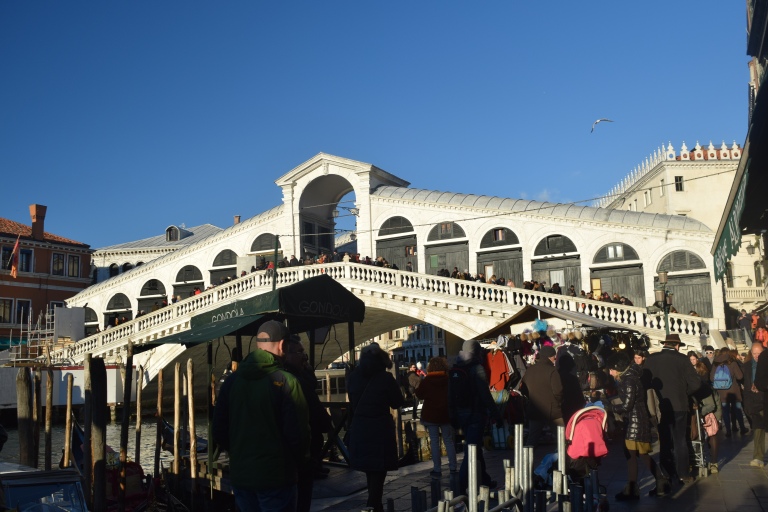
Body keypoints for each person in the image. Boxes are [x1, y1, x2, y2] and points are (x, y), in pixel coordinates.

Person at [213, 320, 310, 512]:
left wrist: (239, 454)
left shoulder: (231, 382)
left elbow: (218, 430)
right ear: (283, 345)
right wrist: (302, 463)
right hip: (277, 477)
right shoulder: (287, 381)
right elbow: (298, 434)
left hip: (242, 476)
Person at [346, 343, 405, 512]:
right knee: (378, 471)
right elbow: (397, 402)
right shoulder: (385, 378)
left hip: (360, 428)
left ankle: (375, 506)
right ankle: (373, 506)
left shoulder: (353, 377)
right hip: (379, 430)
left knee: (370, 470)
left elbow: (352, 401)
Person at [606, 352, 667, 501]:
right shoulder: (630, 377)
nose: (610, 372)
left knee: (632, 454)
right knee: (639, 454)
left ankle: (633, 489)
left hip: (635, 421)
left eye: (612, 369)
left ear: (618, 368)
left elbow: (627, 405)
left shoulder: (628, 380)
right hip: (637, 419)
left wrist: (610, 408)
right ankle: (660, 483)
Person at [643, 333, 701, 487]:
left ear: (665, 344)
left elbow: (645, 383)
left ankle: (667, 473)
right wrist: (684, 392)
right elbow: (696, 384)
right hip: (680, 405)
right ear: (677, 345)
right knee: (680, 440)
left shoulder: (651, 359)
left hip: (660, 405)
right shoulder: (682, 359)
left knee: (664, 440)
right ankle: (683, 473)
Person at [283, 335, 333, 512]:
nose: (304, 356)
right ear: (286, 354)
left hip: (291, 454)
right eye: (300, 352)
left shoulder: (299, 375)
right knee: (300, 498)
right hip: (297, 455)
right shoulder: (292, 380)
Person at [448, 340, 504, 493]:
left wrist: (452, 415)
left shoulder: (456, 368)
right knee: (471, 451)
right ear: (477, 352)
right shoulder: (477, 368)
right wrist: (496, 415)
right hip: (475, 414)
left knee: (475, 448)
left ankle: (484, 479)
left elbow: (450, 395)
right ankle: (459, 486)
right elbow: (485, 395)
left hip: (461, 415)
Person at [414, 357, 458, 477]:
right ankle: (453, 467)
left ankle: (437, 469)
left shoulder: (427, 380)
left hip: (431, 414)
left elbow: (419, 394)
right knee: (448, 440)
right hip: (445, 414)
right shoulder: (448, 379)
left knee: (434, 441)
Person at [520, 345, 564, 447]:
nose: (555, 359)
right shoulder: (552, 370)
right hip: (552, 410)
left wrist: (533, 399)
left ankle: (527, 457)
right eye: (554, 357)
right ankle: (564, 457)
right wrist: (558, 402)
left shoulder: (530, 370)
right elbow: (558, 391)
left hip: (535, 409)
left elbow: (523, 390)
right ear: (549, 356)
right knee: (561, 438)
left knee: (532, 439)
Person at [692, 362, 721, 473]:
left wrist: (699, 411)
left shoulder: (704, 386)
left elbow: (712, 405)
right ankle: (697, 460)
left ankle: (713, 462)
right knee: (697, 435)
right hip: (703, 411)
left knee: (712, 434)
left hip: (711, 412)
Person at [711, 347, 746, 437]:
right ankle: (742, 428)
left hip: (722, 393)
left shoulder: (715, 364)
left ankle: (728, 431)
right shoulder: (732, 362)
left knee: (725, 412)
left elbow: (711, 378)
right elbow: (740, 376)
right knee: (737, 410)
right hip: (734, 391)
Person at [743, 343, 765, 467]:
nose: (757, 356)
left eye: (759, 353)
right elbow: (746, 387)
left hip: (765, 398)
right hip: (754, 402)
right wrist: (747, 404)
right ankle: (758, 457)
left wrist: (761, 387)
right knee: (758, 429)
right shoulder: (746, 366)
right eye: (754, 353)